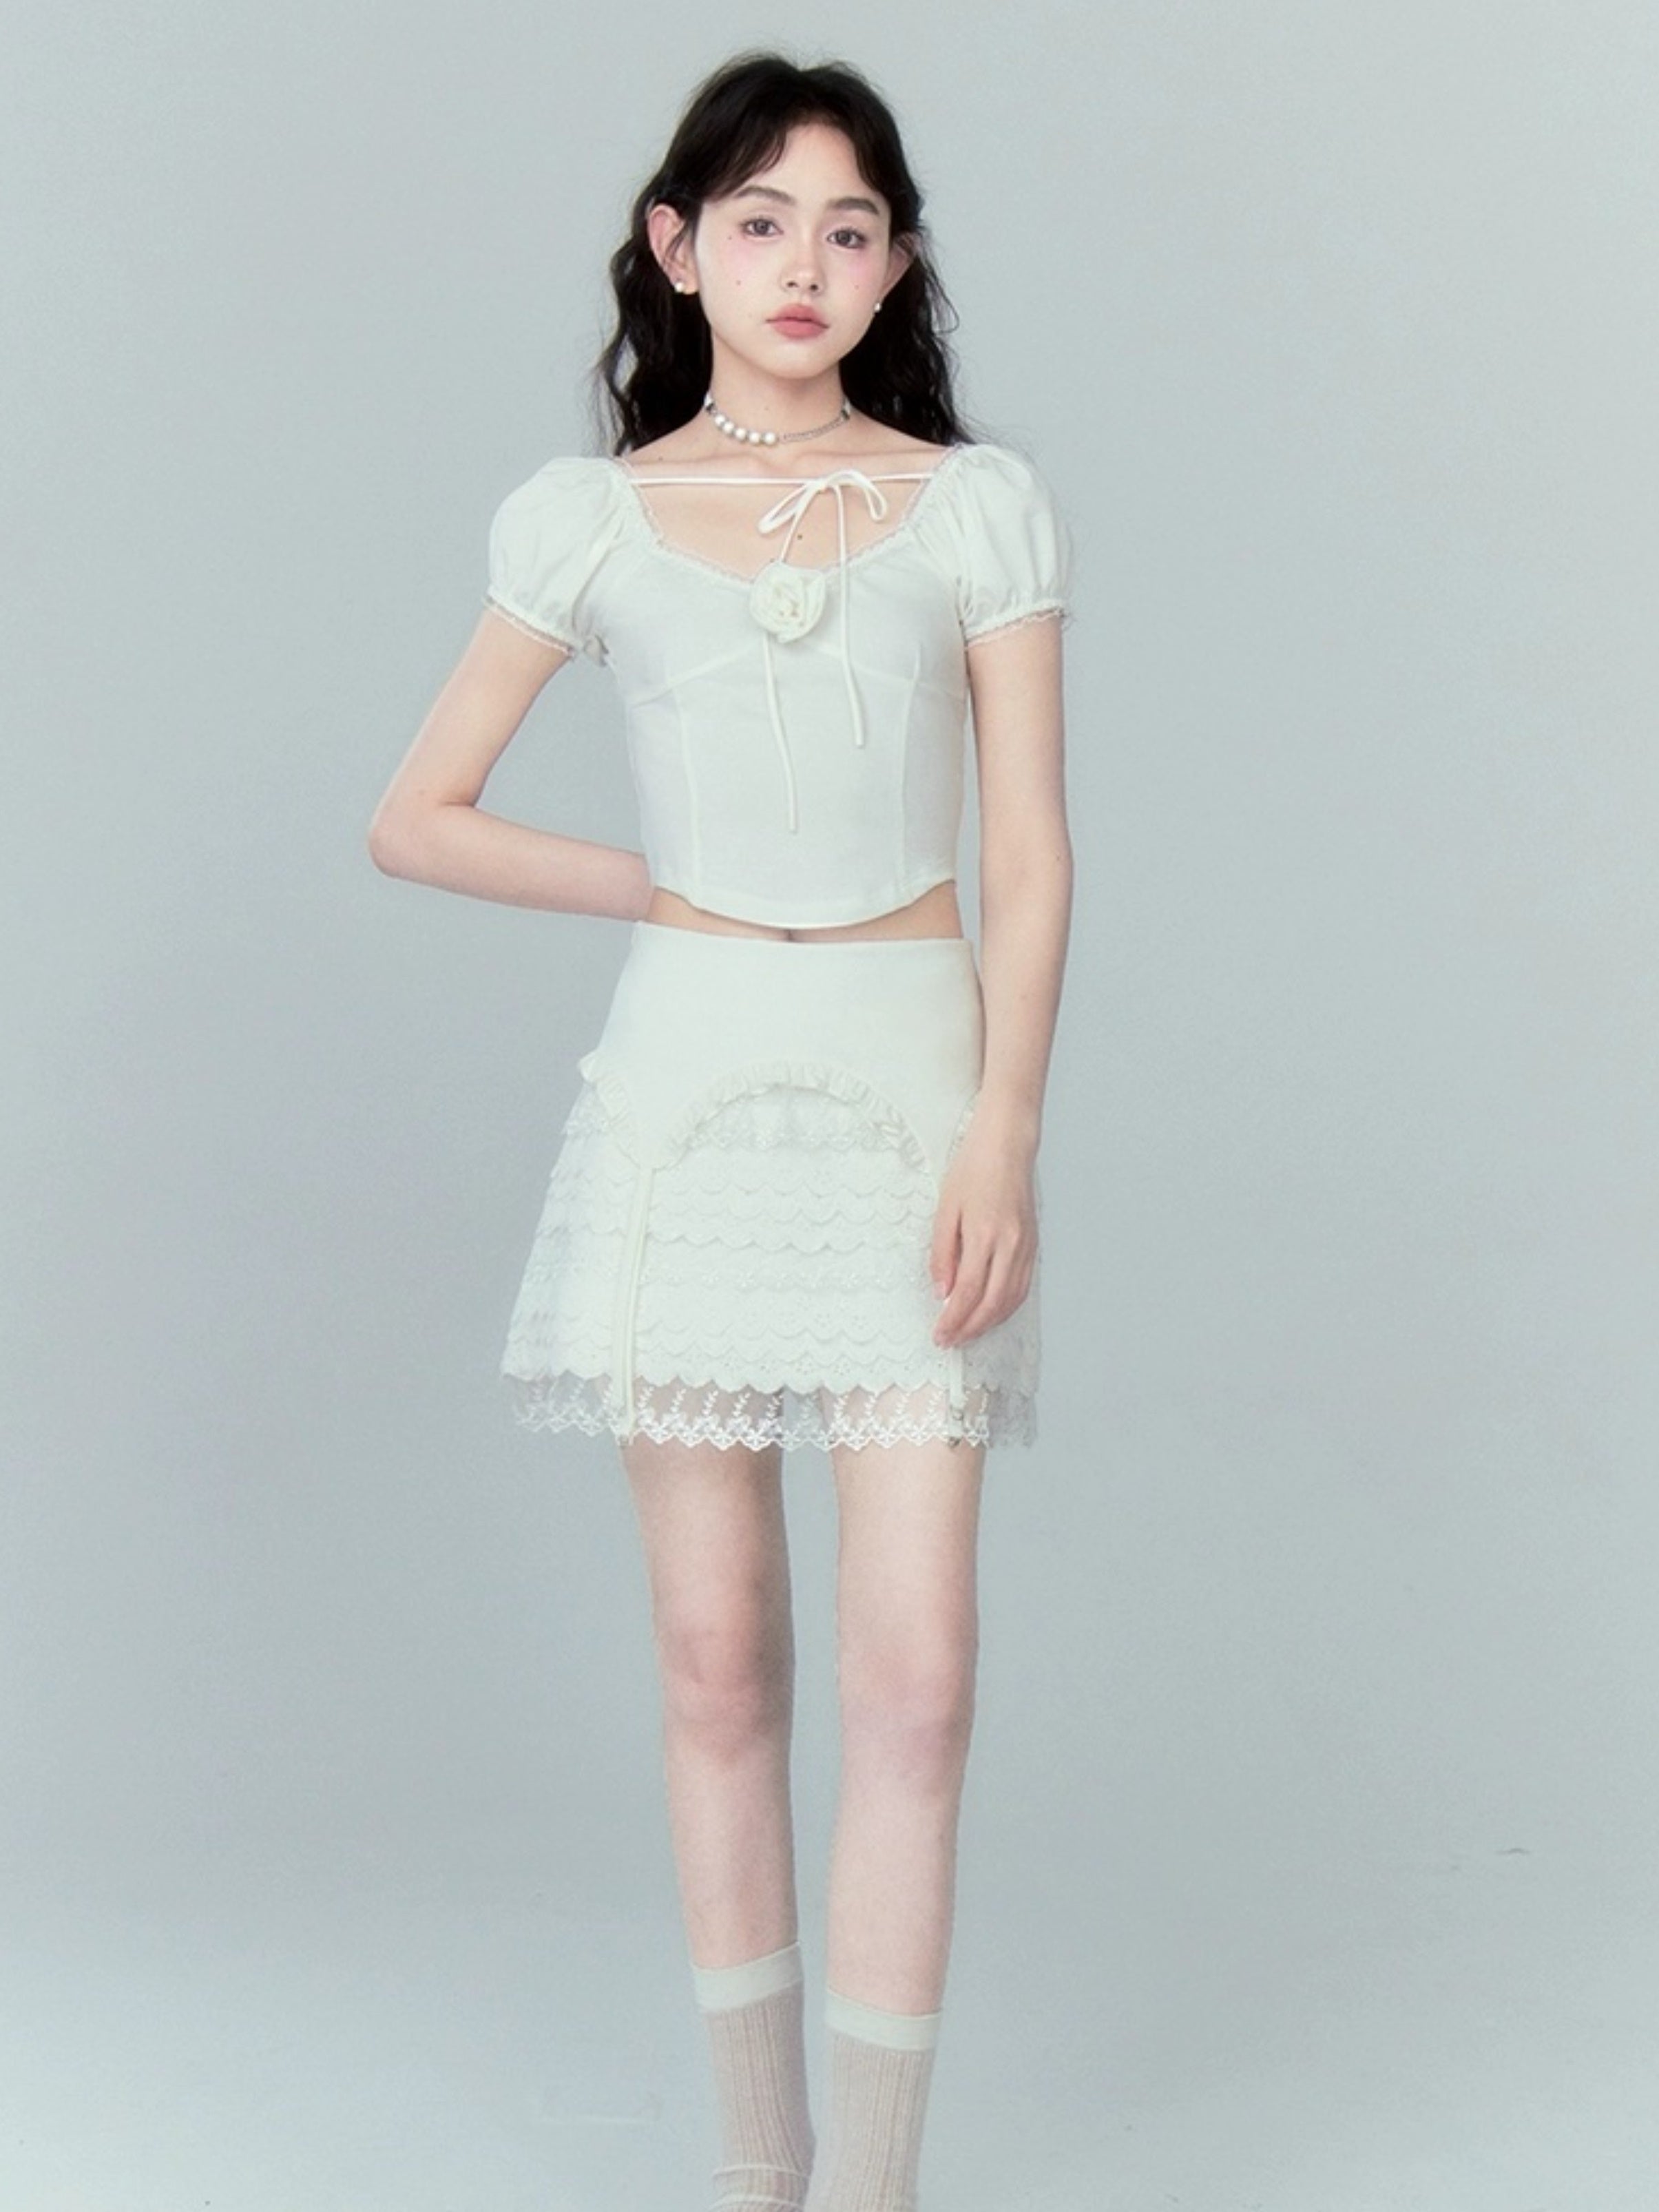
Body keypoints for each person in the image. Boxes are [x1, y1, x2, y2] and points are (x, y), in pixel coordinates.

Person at [368, 48, 1074, 2212]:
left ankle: (872, 2189)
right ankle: (759, 2173)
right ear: (676, 248)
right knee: (712, 1665)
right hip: (684, 1112)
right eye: (759, 220)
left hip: (912, 1095)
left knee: (918, 1684)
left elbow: (1029, 856)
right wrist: (664, 889)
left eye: (848, 228)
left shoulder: (976, 505)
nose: (802, 264)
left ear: (896, 265)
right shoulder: (583, 518)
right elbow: (416, 816)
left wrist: (1002, 1129)